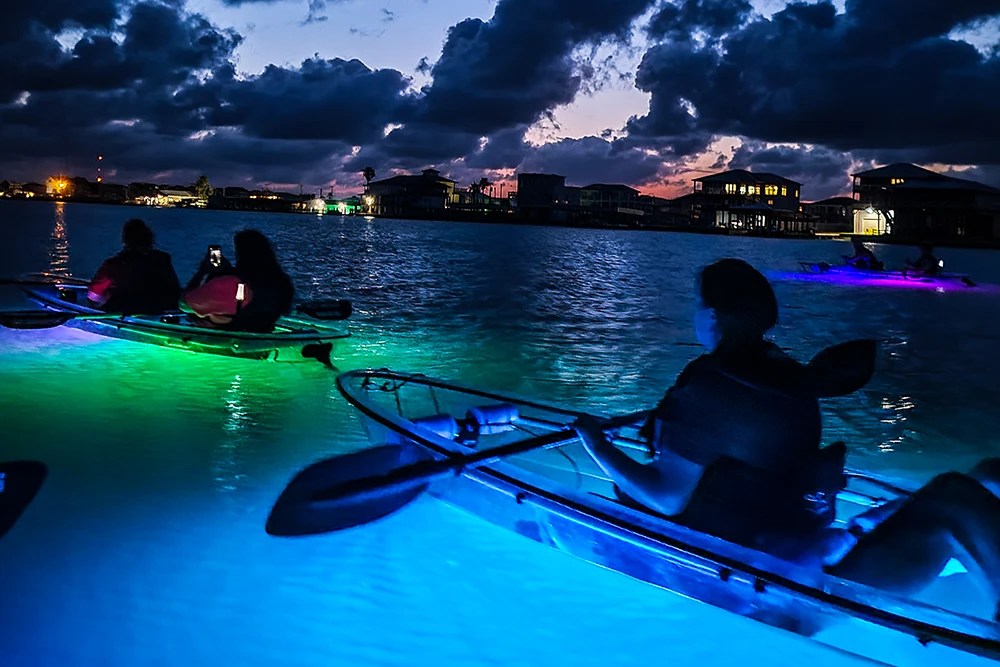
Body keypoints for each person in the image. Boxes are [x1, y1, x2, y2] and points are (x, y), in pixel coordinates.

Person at [575, 258, 1000, 617]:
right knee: (977, 481)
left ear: (713, 315)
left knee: (964, 489)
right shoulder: (785, 375)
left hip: (753, 585)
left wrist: (595, 441)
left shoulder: (713, 385)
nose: (694, 314)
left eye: (696, 303)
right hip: (798, 549)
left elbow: (666, 498)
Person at [181, 229, 294, 333]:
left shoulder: (231, 282)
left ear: (239, 253)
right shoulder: (282, 281)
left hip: (227, 338)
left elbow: (183, 304)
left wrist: (202, 272)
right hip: (262, 335)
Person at [87, 218, 181, 314]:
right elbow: (175, 291)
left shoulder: (114, 265)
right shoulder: (163, 259)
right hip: (160, 313)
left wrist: (108, 295)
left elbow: (93, 297)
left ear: (125, 240)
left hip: (126, 314)